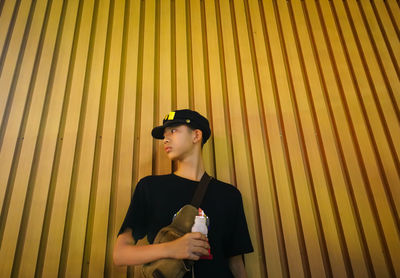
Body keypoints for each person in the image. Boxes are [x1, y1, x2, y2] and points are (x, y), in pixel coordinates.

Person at [113, 109, 253, 277]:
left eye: (173, 131)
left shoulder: (230, 195)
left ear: (196, 136)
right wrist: (171, 248)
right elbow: (120, 254)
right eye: (164, 134)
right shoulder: (150, 187)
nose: (165, 139)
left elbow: (236, 263)